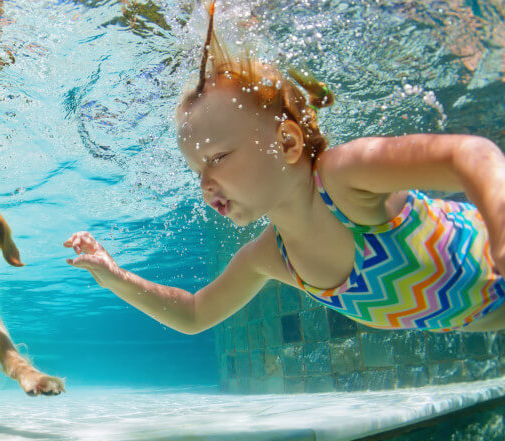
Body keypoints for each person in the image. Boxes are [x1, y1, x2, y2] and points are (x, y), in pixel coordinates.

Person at [63, 2, 505, 335]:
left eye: (216, 157)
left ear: (288, 142)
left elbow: (472, 156)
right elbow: (195, 313)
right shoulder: (271, 256)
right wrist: (113, 275)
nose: (205, 182)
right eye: (196, 169)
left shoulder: (342, 179)